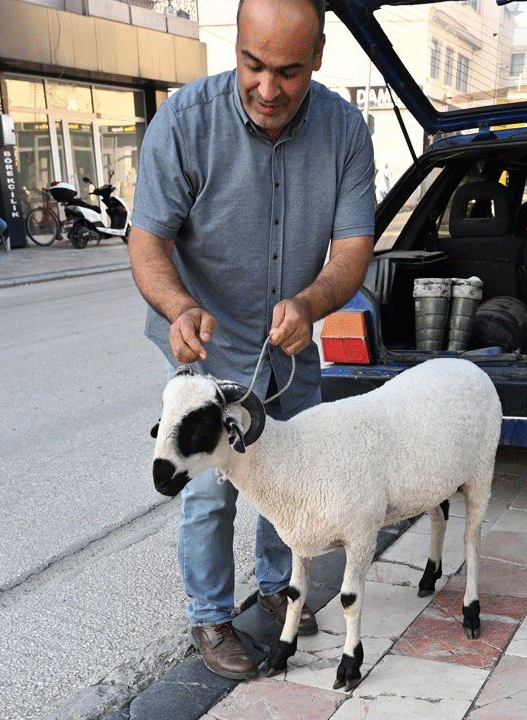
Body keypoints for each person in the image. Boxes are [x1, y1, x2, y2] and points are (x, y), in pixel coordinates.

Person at [127, 0, 375, 681]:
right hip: (203, 338)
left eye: (290, 71)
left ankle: (277, 586)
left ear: (319, 55)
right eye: (253, 65)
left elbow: (353, 248)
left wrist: (310, 302)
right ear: (235, 46)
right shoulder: (184, 122)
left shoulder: (347, 131)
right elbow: (146, 238)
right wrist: (178, 307)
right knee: (211, 489)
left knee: (289, 469)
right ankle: (210, 615)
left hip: (289, 332)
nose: (269, 88)